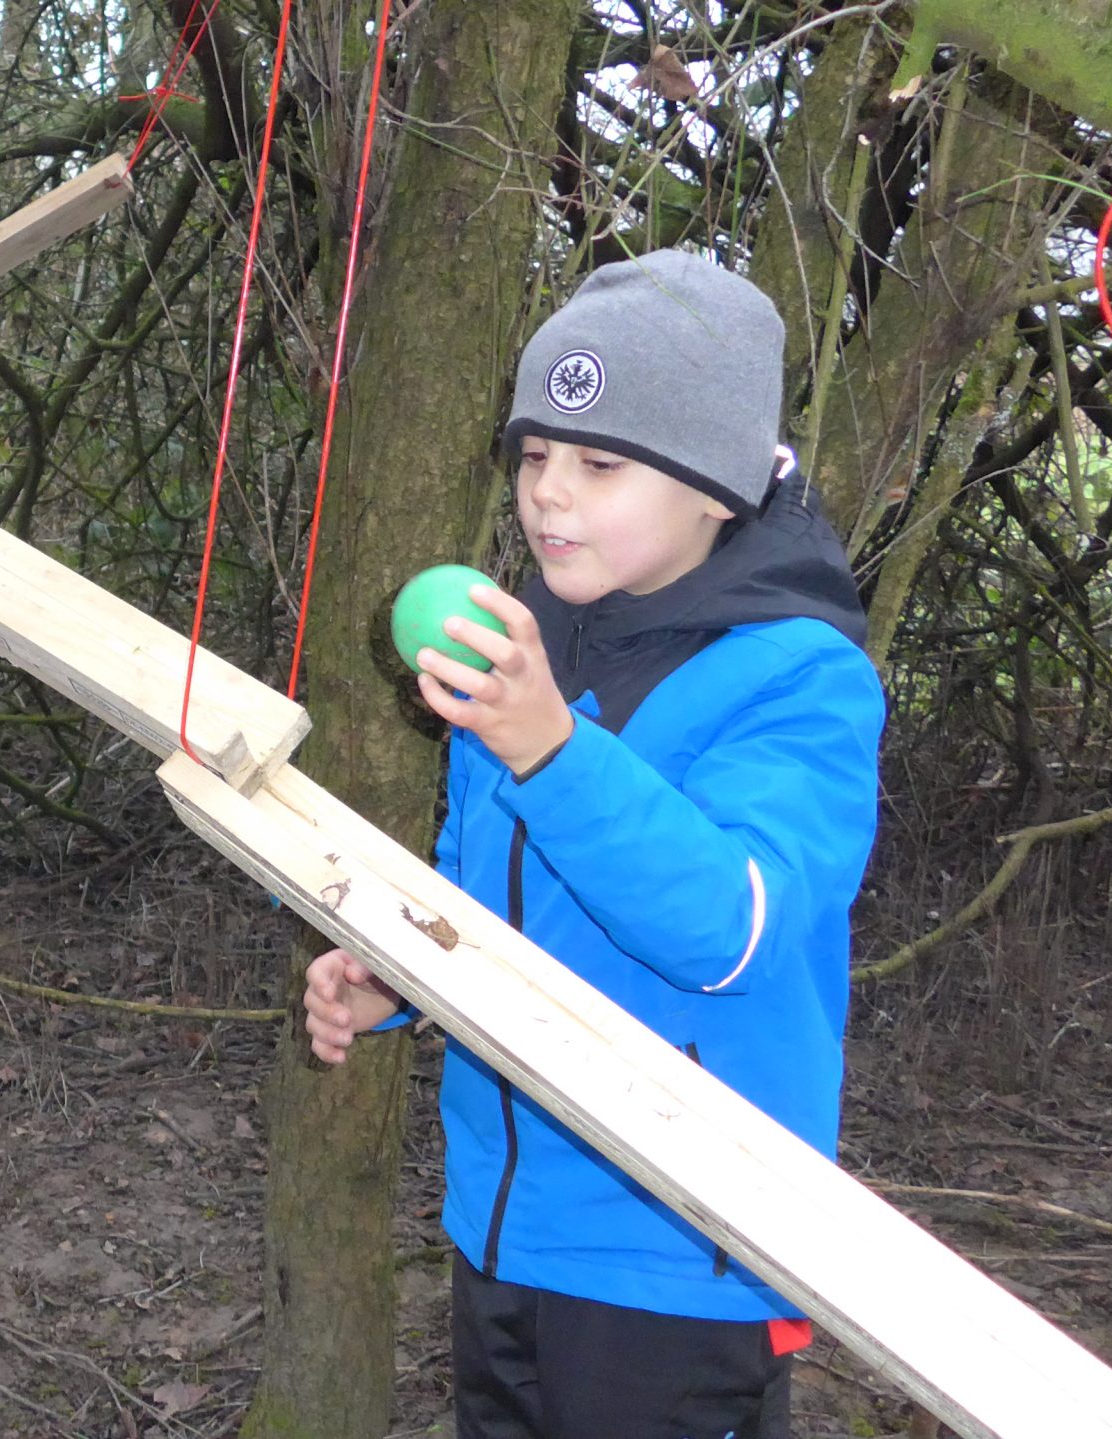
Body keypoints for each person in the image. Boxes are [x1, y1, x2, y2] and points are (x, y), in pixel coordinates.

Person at [302, 249, 886, 1439]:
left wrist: (551, 750)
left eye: (600, 463)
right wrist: (399, 981)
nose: (548, 494)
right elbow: (485, 889)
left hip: (679, 1247)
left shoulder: (801, 677)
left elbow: (733, 928)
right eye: (534, 454)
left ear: (714, 488)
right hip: (506, 1220)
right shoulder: (530, 645)